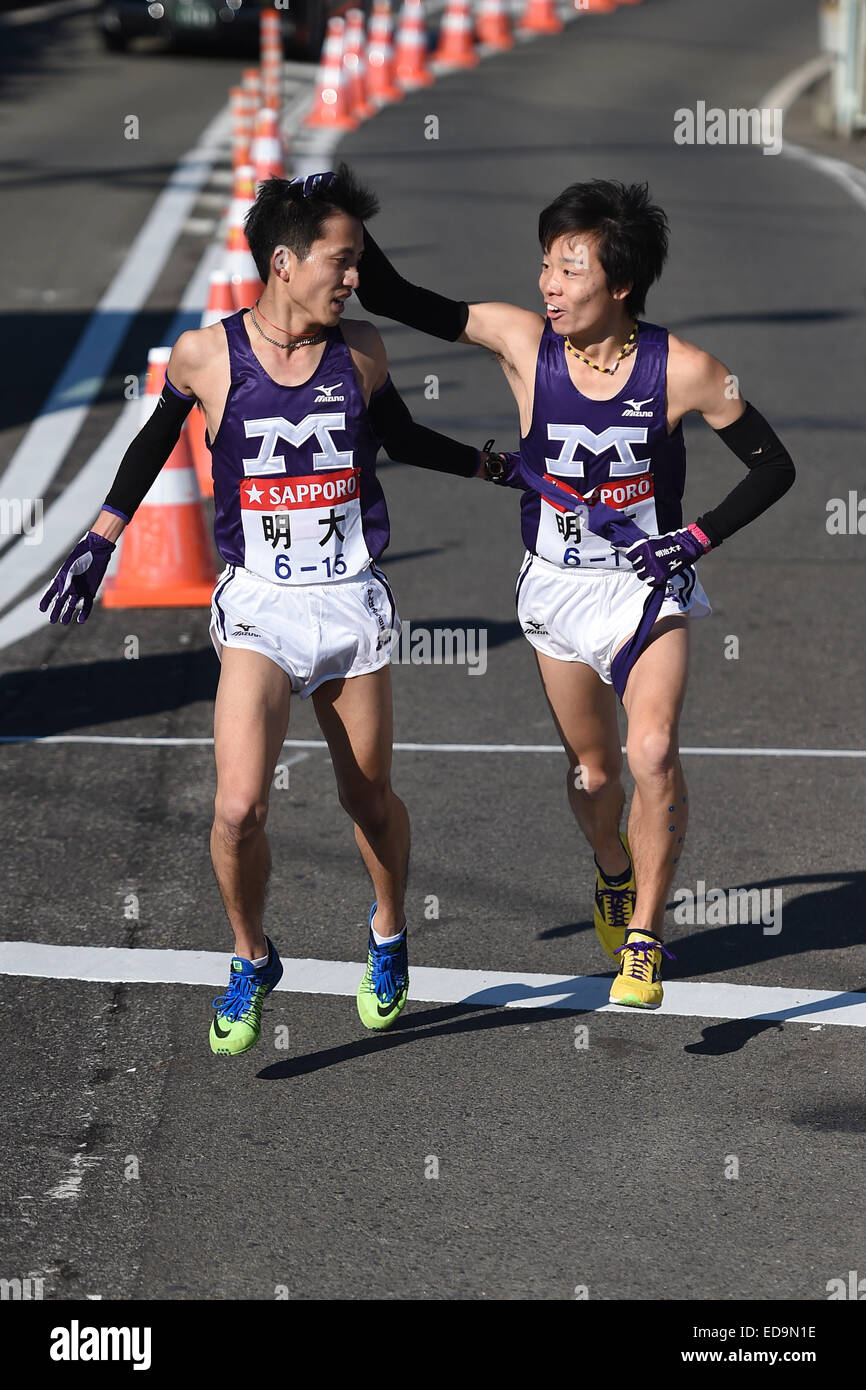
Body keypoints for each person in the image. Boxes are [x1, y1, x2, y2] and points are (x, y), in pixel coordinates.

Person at [40, 166, 491, 1053]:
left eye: (357, 262)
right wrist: (101, 537)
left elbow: (397, 438)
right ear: (285, 264)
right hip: (260, 608)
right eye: (342, 260)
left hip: (349, 600)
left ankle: (390, 930)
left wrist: (491, 465)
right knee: (238, 808)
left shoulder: (362, 350)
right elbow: (154, 440)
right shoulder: (208, 355)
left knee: (366, 800)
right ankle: (250, 956)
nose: (355, 277)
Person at [356, 178, 795, 1008]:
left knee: (653, 752)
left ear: (620, 284)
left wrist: (694, 538)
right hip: (555, 591)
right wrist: (336, 209)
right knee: (596, 778)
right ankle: (613, 869)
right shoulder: (524, 344)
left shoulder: (689, 370)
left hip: (644, 593)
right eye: (546, 266)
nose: (547, 286)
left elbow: (775, 466)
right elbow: (391, 294)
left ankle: (643, 944)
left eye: (569, 269)